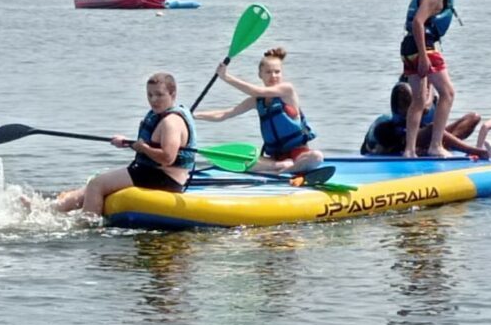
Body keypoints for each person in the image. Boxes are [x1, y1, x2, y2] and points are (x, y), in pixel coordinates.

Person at [54, 72, 196, 216]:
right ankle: (47, 209)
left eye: (159, 95)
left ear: (173, 94)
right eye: (150, 95)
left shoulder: (170, 122)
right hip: (150, 172)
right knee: (88, 188)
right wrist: (128, 143)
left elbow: (168, 158)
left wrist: (144, 148)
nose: (153, 100)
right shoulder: (160, 116)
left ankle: (87, 226)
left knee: (96, 184)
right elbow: (149, 145)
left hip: (163, 179)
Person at [195, 47, 323, 174]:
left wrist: (226, 77)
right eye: (268, 72)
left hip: (298, 154)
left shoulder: (287, 90)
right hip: (275, 158)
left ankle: (285, 169)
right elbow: (225, 114)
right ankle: (279, 166)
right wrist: (193, 115)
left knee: (316, 157)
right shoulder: (257, 101)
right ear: (260, 75)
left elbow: (256, 90)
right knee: (243, 161)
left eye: (277, 72)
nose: (273, 76)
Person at [401, 0, 460, 158]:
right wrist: (424, 58)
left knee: (418, 101)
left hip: (408, 48)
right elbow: (418, 22)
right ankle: (435, 145)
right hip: (422, 47)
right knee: (448, 93)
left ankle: (409, 150)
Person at [361, 81, 481, 156]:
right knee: (432, 129)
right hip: (400, 141)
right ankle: (477, 151)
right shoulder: (385, 126)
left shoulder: (428, 105)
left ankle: (438, 146)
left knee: (473, 118)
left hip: (425, 140)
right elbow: (371, 149)